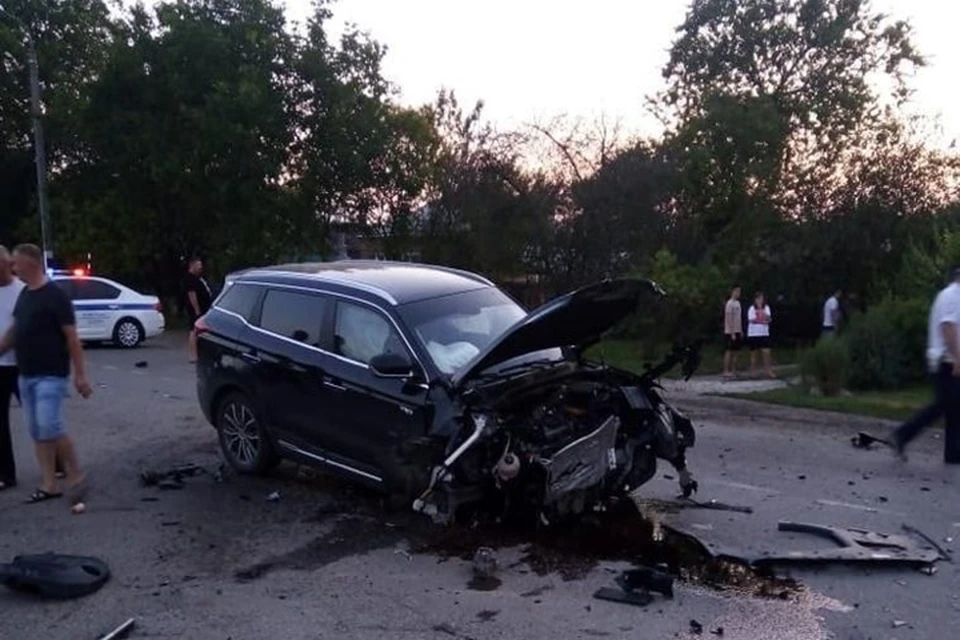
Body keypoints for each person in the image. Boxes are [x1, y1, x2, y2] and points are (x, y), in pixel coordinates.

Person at [0, 243, 93, 505]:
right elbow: (16, 329)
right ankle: (49, 483)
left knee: (50, 424)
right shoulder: (25, 294)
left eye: (16, 263)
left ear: (30, 263)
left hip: (51, 373)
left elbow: (72, 337)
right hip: (26, 373)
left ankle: (75, 473)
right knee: (36, 430)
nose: (13, 267)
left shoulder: (55, 295)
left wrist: (80, 375)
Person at [890, 266, 960, 464]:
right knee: (944, 405)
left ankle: (953, 453)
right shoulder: (954, 296)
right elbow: (948, 327)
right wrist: (957, 357)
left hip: (945, 359)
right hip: (946, 360)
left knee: (953, 407)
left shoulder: (947, 295)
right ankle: (901, 435)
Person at [0, 245, 25, 490]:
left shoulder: (22, 291)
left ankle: (57, 463)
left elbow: (19, 327)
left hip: (21, 364)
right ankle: (6, 474)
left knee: (38, 418)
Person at [184, 257, 212, 363]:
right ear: (192, 266)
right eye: (198, 265)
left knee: (198, 331)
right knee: (194, 331)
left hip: (204, 308)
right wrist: (197, 310)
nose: (200, 268)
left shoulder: (198, 278)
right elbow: (192, 295)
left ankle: (200, 353)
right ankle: (193, 355)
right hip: (196, 310)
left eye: (201, 265)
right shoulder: (190, 279)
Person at [747, 292, 774, 378]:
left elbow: (769, 318)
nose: (760, 300)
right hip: (754, 334)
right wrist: (762, 320)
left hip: (764, 333)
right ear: (755, 300)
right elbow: (752, 320)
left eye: (761, 299)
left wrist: (763, 314)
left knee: (767, 352)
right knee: (754, 354)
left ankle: (768, 371)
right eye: (758, 299)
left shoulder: (766, 307)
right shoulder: (751, 308)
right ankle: (753, 372)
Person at [722, 286, 743, 379]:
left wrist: (740, 330)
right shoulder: (729, 303)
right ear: (732, 292)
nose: (738, 293)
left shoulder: (738, 303)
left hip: (738, 330)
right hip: (730, 331)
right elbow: (728, 318)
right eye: (737, 291)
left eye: (739, 291)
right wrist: (732, 332)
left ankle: (734, 370)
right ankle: (725, 370)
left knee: (736, 351)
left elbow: (739, 318)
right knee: (729, 350)